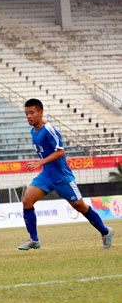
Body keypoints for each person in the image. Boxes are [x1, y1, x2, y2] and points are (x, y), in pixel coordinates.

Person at [18, 99, 113, 251]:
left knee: (80, 207)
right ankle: (34, 239)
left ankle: (105, 231)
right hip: (46, 176)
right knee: (27, 201)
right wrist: (42, 165)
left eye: (32, 113)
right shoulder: (33, 132)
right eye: (26, 113)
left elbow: (60, 151)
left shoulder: (49, 128)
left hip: (62, 177)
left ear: (40, 112)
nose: (28, 116)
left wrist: (40, 162)